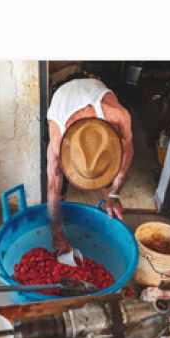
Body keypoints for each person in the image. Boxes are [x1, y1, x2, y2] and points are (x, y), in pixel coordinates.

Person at [47, 74, 133, 253]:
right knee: (58, 187)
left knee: (106, 180)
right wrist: (56, 233)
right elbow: (52, 188)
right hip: (62, 94)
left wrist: (114, 195)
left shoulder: (118, 114)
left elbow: (128, 148)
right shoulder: (57, 140)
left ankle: (107, 194)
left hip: (93, 82)